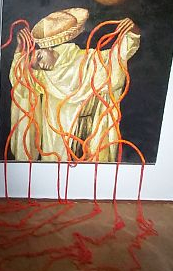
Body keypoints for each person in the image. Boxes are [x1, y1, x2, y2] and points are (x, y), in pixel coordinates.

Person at [9, 8, 140, 162]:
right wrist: (19, 50)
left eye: (39, 57)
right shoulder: (42, 75)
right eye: (36, 65)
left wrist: (132, 30)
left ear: (49, 48)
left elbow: (120, 55)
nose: (40, 65)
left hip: (90, 135)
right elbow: (21, 83)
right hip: (58, 143)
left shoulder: (90, 60)